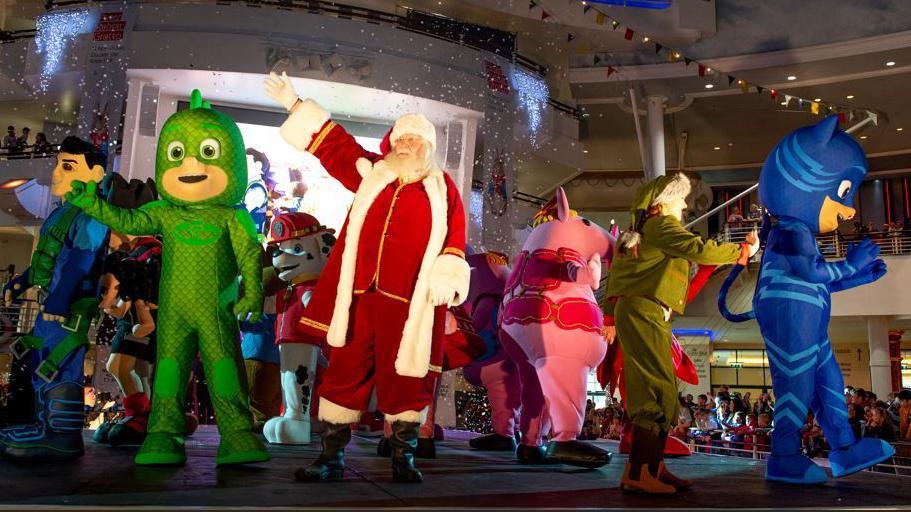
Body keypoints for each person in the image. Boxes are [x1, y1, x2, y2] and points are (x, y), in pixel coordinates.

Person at [263, 72, 468, 484]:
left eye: (415, 141)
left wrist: (447, 275)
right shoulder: (373, 171)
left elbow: (455, 239)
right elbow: (336, 147)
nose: (406, 146)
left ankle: (403, 458)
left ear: (427, 148)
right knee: (343, 372)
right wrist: (294, 104)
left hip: (408, 305)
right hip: (357, 296)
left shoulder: (443, 189)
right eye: (401, 139)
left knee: (405, 378)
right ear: (391, 143)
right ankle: (331, 458)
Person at [605, 172, 758, 494]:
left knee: (662, 390)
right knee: (655, 389)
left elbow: (619, 280)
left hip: (644, 312)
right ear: (666, 200)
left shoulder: (643, 231)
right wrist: (739, 252)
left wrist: (609, 316)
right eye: (682, 197)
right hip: (645, 312)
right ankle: (638, 473)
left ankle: (652, 468)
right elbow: (697, 248)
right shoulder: (661, 225)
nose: (686, 204)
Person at [0, 136, 109, 459]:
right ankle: (46, 426)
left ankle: (62, 435)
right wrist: (22, 282)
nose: (57, 173)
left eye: (69, 166)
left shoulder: (92, 215)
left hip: (68, 308)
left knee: (58, 362)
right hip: (52, 305)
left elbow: (82, 260)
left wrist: (60, 298)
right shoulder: (63, 213)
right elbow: (50, 258)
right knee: (42, 360)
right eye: (59, 164)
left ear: (96, 174)